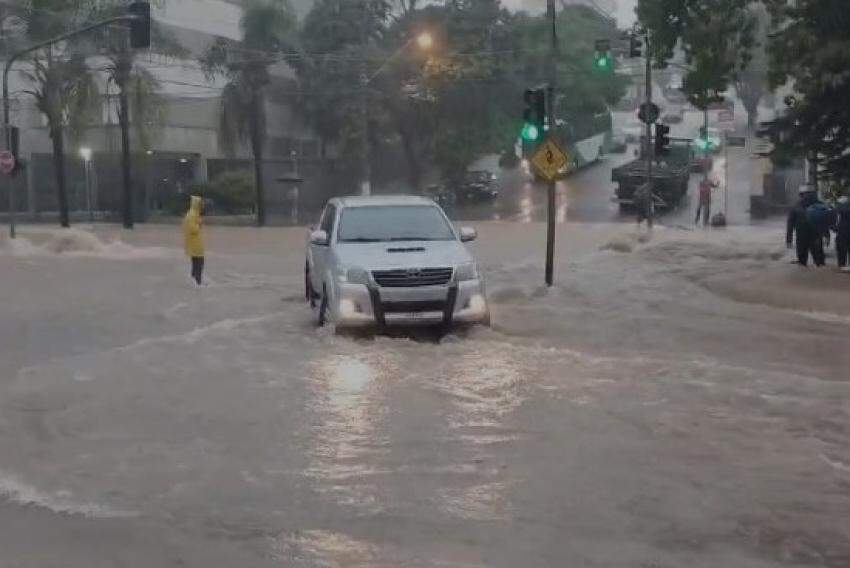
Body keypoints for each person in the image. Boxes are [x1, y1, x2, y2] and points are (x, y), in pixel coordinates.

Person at [786, 189, 825, 267]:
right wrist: (789, 239)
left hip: (811, 235)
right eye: (806, 194)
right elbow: (790, 224)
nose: (807, 196)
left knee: (816, 259)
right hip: (806, 235)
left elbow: (824, 220)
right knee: (806, 259)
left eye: (809, 194)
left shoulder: (818, 205)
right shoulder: (796, 206)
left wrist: (827, 234)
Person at [183, 195, 205, 285]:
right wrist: (199, 224)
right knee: (199, 262)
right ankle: (197, 282)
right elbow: (192, 229)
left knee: (196, 263)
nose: (202, 205)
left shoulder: (193, 214)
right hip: (195, 244)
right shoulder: (192, 215)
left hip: (193, 243)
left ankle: (194, 281)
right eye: (200, 203)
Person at [835, 195, 850, 271]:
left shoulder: (840, 209)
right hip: (844, 232)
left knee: (841, 250)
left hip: (842, 233)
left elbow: (835, 222)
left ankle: (842, 265)